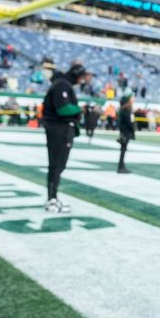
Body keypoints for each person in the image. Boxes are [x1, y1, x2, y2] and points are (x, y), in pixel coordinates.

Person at [42, 63, 91, 213]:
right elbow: (63, 109)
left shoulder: (61, 83)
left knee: (57, 165)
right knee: (57, 164)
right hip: (60, 129)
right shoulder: (62, 85)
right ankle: (52, 199)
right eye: (82, 77)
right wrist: (80, 109)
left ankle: (53, 198)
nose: (82, 80)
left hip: (59, 128)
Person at [117, 91, 136, 174]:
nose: (133, 99)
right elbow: (129, 122)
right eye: (132, 98)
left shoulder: (125, 108)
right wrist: (132, 129)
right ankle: (121, 167)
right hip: (125, 132)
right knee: (123, 150)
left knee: (123, 150)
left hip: (125, 131)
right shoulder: (126, 109)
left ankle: (122, 166)